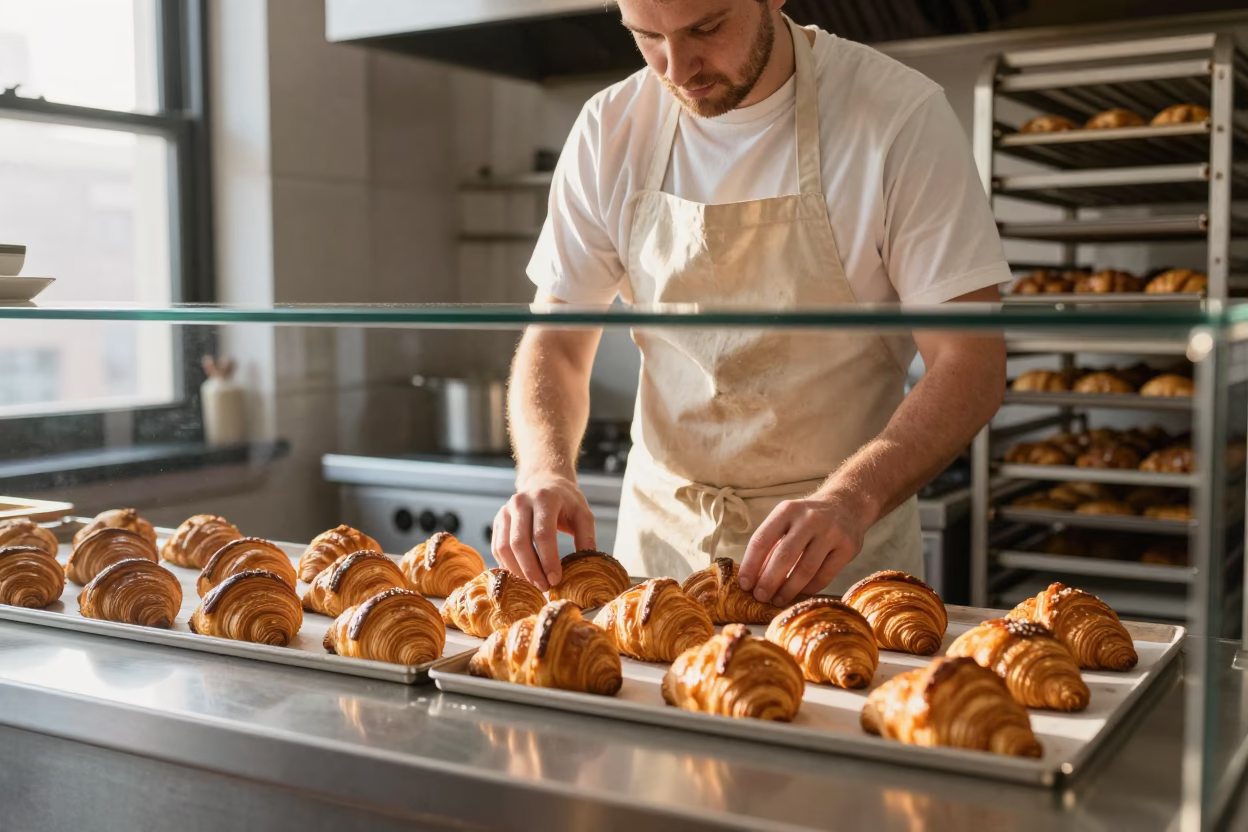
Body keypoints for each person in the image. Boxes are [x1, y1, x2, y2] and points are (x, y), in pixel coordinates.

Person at [492, 0, 1006, 606]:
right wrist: (545, 469)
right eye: (647, 37)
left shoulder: (897, 118)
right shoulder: (610, 127)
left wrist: (851, 499)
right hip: (660, 562)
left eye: (706, 29)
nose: (678, 68)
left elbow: (969, 362)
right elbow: (555, 341)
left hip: (835, 563)